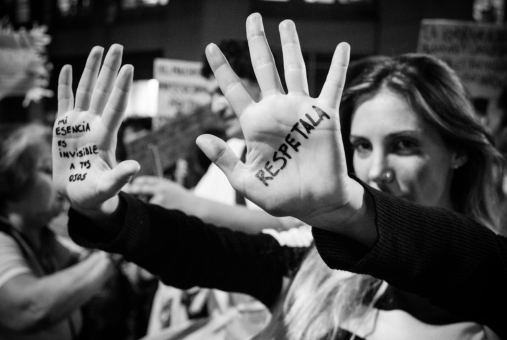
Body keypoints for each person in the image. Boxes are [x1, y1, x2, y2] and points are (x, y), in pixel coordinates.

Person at [51, 14, 507, 339]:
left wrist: (354, 213)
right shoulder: (318, 269)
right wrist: (104, 211)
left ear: (459, 154)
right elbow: (201, 251)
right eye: (362, 146)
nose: (376, 170)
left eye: (405, 145)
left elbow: (464, 263)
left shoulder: (489, 280)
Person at [0, 123, 114, 340]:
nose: (64, 181)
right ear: (14, 177)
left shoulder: (42, 236)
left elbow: (81, 265)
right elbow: (27, 308)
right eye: (49, 170)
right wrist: (113, 248)